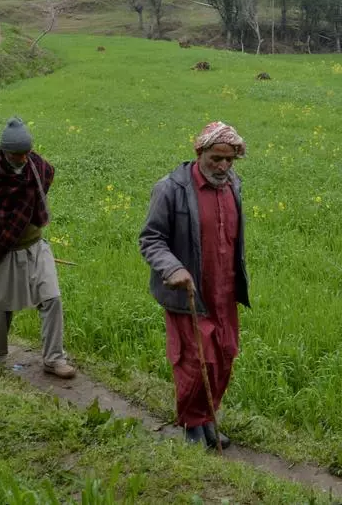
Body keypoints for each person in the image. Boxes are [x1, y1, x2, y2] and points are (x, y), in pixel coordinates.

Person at [139, 121, 250, 447]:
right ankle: (192, 426)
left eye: (230, 160)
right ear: (199, 152)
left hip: (224, 291)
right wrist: (172, 268)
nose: (223, 166)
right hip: (188, 292)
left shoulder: (233, 185)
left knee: (224, 356)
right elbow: (151, 238)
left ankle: (208, 418)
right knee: (195, 360)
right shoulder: (171, 189)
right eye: (216, 158)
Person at [0, 117, 76, 379]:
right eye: (17, 154)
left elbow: (48, 173)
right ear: (4, 151)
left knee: (52, 298)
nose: (24, 159)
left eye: (26, 153)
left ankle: (53, 358)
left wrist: (29, 215)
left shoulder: (34, 166)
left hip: (35, 247)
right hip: (1, 251)